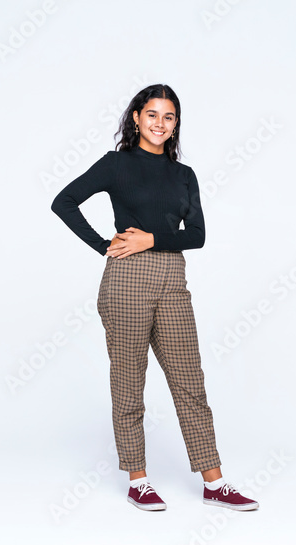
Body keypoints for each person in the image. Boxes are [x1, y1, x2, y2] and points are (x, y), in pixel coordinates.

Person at [50, 84, 258, 512]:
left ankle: (214, 482)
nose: (159, 124)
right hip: (127, 279)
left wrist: (150, 238)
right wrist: (105, 245)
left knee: (189, 380)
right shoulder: (117, 165)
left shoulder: (184, 175)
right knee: (129, 380)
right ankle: (138, 479)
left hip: (172, 278)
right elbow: (64, 201)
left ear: (175, 123)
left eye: (168, 117)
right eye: (151, 115)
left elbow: (196, 236)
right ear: (135, 118)